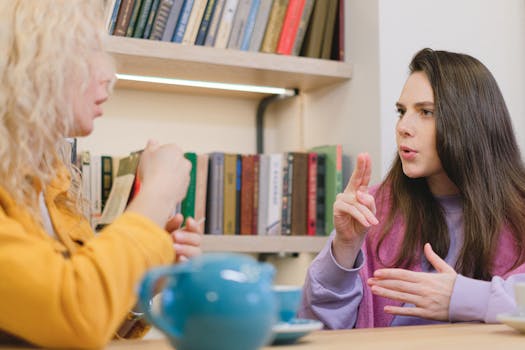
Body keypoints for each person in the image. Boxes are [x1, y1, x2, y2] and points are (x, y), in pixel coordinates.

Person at [0, 0, 203, 347]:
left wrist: (146, 280)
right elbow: (75, 314)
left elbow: (94, 326)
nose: (110, 74)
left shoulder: (51, 186)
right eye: (88, 49)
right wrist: (158, 194)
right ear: (32, 62)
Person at [299, 48, 525, 329]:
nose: (403, 126)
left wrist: (462, 297)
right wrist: (344, 248)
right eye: (401, 111)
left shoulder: (518, 210)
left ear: (470, 121)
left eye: (426, 112)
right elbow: (315, 327)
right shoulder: (373, 207)